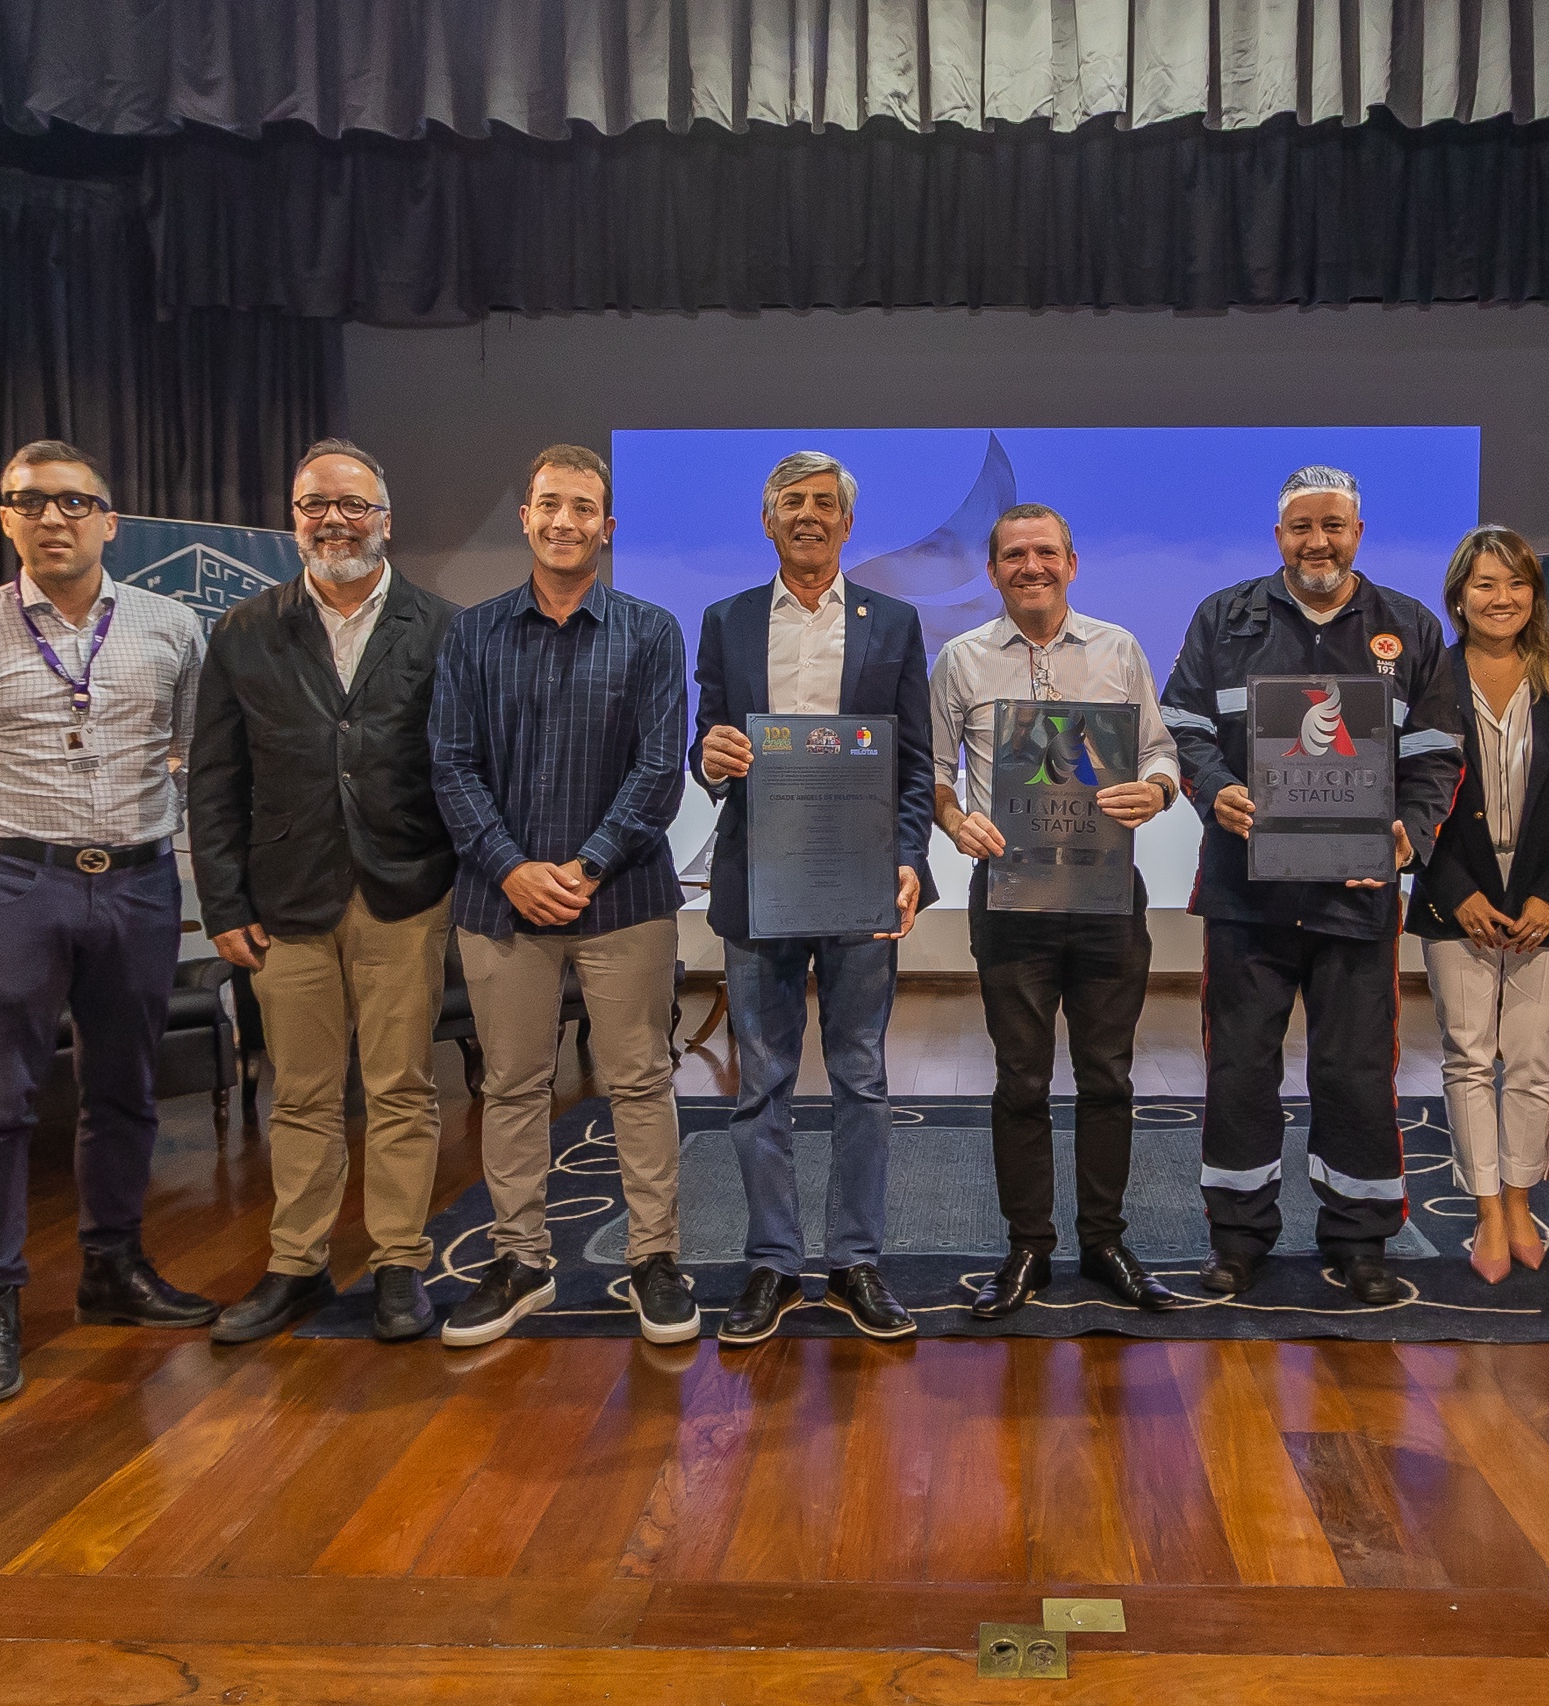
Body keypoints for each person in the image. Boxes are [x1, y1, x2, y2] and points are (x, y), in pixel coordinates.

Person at [0, 440, 218, 1406]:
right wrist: (0, 836)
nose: (51, 518)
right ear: (7, 520)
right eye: (28, 502)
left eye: (73, 502)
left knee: (126, 1091)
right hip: (11, 889)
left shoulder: (171, 626)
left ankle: (114, 1269)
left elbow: (195, 746)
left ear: (110, 520)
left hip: (139, 884)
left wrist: (153, 822)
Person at [1159, 465, 1465, 1304]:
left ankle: (1360, 1240)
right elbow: (1181, 723)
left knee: (1356, 1071)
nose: (1317, 542)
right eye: (1301, 527)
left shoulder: (1409, 626)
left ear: (1357, 533)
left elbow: (1437, 753)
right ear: (1279, 536)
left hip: (1357, 894)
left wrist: (1411, 832)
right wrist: (1214, 786)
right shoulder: (1224, 617)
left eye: (1333, 526)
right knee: (1239, 1070)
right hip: (1246, 897)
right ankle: (1238, 1238)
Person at [189, 440, 458, 1346]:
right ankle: (296, 1265)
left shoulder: (442, 627)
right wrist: (223, 903)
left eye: (352, 505)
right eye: (315, 505)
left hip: (404, 892)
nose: (333, 520)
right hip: (285, 898)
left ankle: (398, 1264)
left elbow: (462, 767)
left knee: (401, 1088)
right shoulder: (243, 630)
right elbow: (214, 781)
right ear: (294, 518)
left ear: (387, 520)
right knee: (300, 1094)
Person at [430, 443, 697, 1347]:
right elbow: (451, 765)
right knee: (511, 1084)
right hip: (500, 901)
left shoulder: (651, 632)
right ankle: (520, 1262)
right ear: (526, 518)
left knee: (640, 1080)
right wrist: (511, 868)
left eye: (582, 508)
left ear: (606, 528)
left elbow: (659, 771)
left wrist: (584, 868)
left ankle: (653, 1258)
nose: (564, 521)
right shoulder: (471, 634)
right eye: (549, 504)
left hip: (623, 900)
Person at [692, 450, 934, 1344]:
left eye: (824, 502)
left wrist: (909, 858)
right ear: (768, 521)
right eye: (792, 501)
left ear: (846, 522)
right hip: (759, 881)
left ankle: (856, 1260)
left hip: (861, 879)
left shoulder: (894, 622)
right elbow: (708, 742)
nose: (808, 514)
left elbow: (914, 762)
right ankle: (772, 1261)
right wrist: (710, 759)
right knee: (762, 1079)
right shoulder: (726, 620)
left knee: (861, 1075)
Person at [930, 503, 1182, 1318]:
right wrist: (952, 819)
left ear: (1072, 563)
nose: (1030, 566)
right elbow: (933, 770)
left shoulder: (1120, 649)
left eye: (1045, 552)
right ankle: (1028, 1247)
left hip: (1106, 896)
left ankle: (1104, 1241)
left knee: (1109, 1075)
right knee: (1020, 1078)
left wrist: (1160, 789)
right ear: (992, 570)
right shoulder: (960, 659)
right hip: (1009, 899)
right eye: (1013, 554)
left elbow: (1161, 750)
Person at [1408, 527, 1549, 1284]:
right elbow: (1409, 795)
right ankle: (1487, 1209)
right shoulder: (1428, 680)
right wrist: (1454, 891)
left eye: (1516, 583)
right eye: (1485, 584)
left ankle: (1522, 1200)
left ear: (1535, 593)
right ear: (1459, 596)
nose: (1502, 598)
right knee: (1468, 1058)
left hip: (1545, 906)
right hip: (1454, 896)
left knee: (1532, 1060)